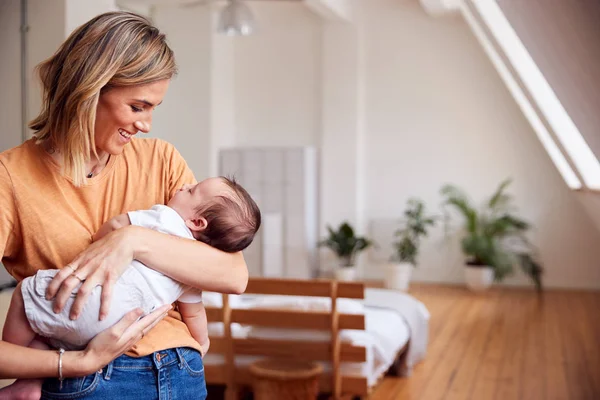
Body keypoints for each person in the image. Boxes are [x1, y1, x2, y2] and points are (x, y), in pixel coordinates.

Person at [0, 10, 248, 400]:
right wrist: (76, 364)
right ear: (88, 90)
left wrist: (133, 240)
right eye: (138, 107)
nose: (147, 124)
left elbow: (233, 274)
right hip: (85, 382)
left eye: (153, 108)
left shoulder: (161, 159)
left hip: (182, 371)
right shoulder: (11, 178)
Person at [4, 177, 260, 359]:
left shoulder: (165, 217)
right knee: (49, 332)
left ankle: (14, 359)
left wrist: (100, 239)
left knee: (26, 294)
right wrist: (202, 342)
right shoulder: (192, 270)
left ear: (197, 221)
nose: (184, 185)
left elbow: (117, 226)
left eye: (192, 190)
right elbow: (194, 313)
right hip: (121, 329)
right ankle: (30, 385)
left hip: (91, 301)